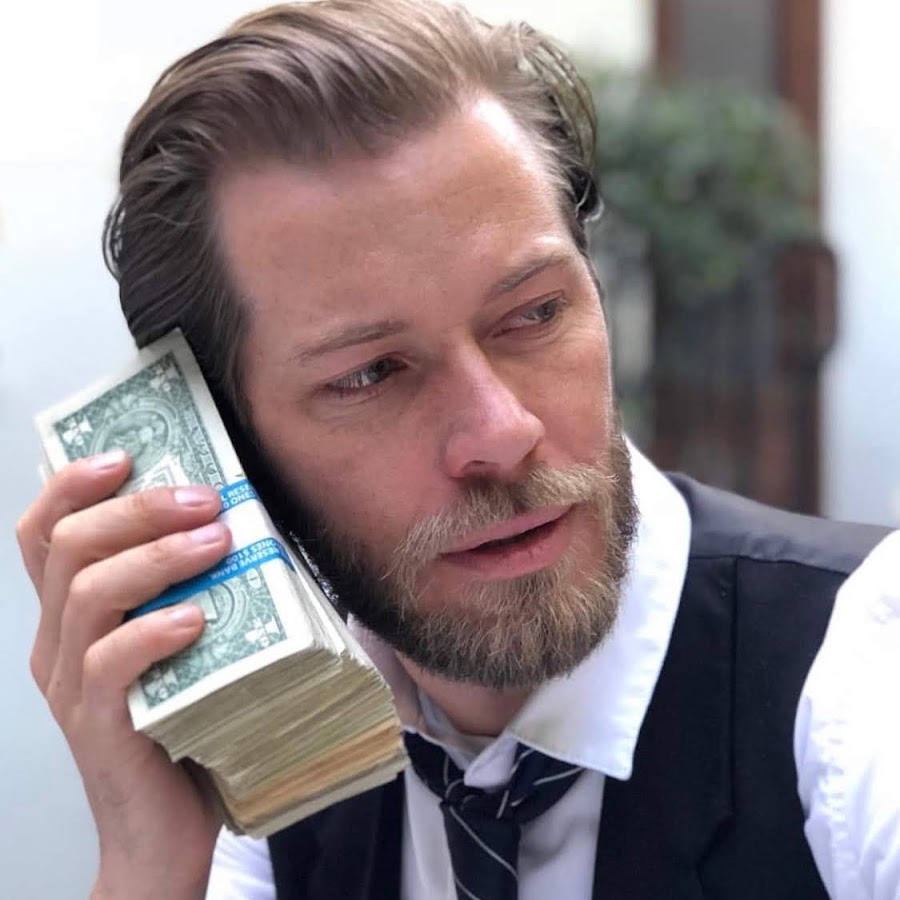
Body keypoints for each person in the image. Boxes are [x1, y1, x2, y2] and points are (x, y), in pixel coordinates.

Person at [15, 1, 900, 898]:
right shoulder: (286, 790)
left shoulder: (863, 670)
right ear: (230, 450)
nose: (501, 433)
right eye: (371, 374)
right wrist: (149, 862)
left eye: (535, 313)